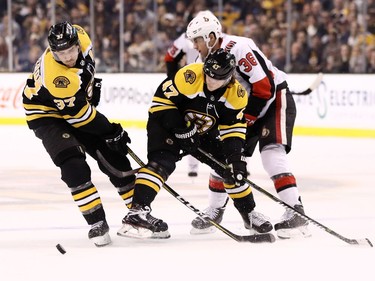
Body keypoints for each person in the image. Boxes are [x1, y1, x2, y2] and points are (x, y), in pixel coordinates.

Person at [118, 48, 273, 239]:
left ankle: (248, 213)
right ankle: (137, 213)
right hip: (166, 124)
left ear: (229, 78)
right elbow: (160, 103)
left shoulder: (237, 95)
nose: (210, 79)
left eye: (217, 78)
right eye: (208, 73)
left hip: (200, 133)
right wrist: (181, 128)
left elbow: (233, 131)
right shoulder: (190, 75)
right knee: (161, 163)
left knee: (229, 167)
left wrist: (236, 158)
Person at [185, 12, 311, 239]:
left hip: (273, 100)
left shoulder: (239, 47)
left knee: (271, 152)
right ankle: (215, 209)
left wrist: (248, 118)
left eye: (197, 40)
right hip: (243, 109)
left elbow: (265, 87)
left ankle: (295, 211)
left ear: (211, 36)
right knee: (224, 155)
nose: (194, 45)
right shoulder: (200, 63)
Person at [22, 21, 136, 247]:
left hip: (73, 104)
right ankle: (96, 223)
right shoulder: (57, 77)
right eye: (60, 53)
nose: (67, 57)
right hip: (46, 114)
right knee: (73, 164)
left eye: (70, 50)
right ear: (53, 52)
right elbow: (80, 118)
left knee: (114, 157)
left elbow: (86, 74)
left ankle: (138, 213)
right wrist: (111, 130)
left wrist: (91, 97)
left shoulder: (82, 35)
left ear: (77, 43)